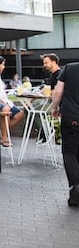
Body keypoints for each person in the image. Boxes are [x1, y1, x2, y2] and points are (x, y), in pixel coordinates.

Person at [51, 62, 79, 206]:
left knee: (69, 152)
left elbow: (58, 91)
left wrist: (54, 107)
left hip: (71, 116)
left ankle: (76, 185)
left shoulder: (69, 68)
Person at [0, 55, 25, 146]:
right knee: (6, 109)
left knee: (20, 114)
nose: (4, 67)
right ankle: (4, 138)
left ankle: (2, 132)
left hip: (6, 101)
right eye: (3, 64)